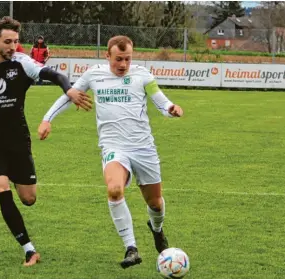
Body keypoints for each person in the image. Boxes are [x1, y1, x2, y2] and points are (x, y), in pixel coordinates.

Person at [37, 35, 183, 269]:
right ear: (107, 56)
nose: (123, 64)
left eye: (127, 59)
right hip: (114, 147)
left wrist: (171, 109)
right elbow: (69, 96)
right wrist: (47, 119)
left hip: (143, 148)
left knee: (155, 203)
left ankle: (157, 230)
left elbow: (161, 102)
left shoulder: (143, 76)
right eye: (118, 59)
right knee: (114, 190)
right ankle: (131, 248)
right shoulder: (94, 75)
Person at [0, 16, 92, 267]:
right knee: (2, 189)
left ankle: (9, 172)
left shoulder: (23, 63)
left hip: (17, 139)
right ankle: (29, 249)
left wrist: (68, 90)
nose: (13, 46)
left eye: (16, 41)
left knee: (29, 198)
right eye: (8, 42)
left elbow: (53, 74)